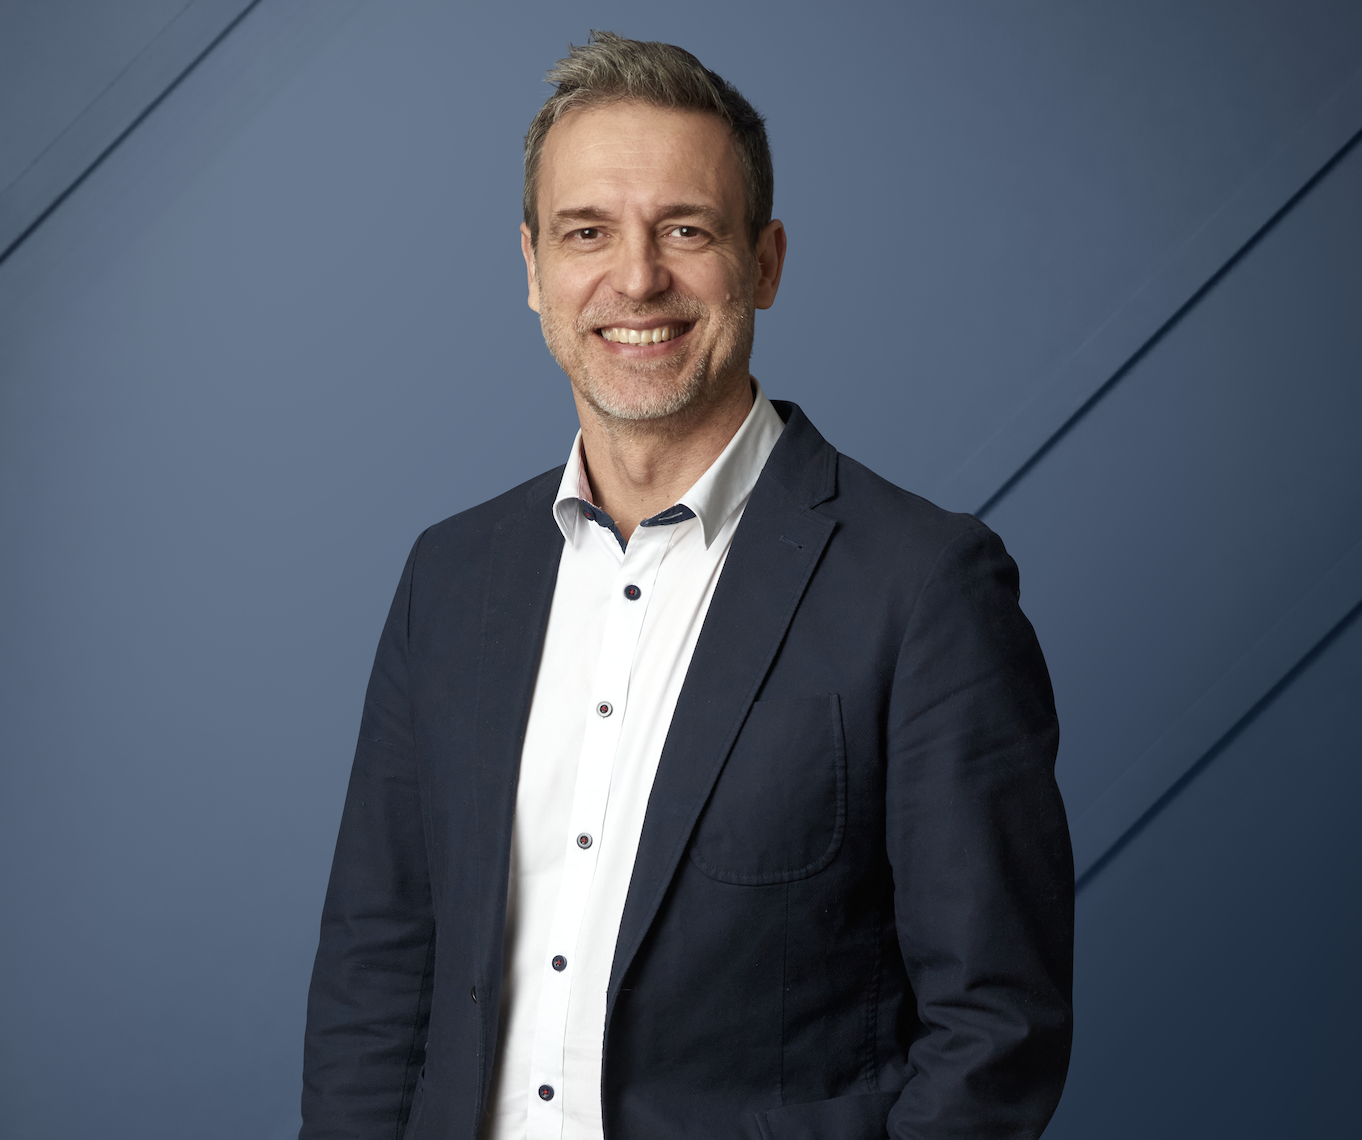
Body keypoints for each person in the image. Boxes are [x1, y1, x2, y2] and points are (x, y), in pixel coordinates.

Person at [300, 31, 1073, 1140]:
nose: (636, 278)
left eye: (686, 230)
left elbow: (995, 1031)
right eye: (587, 232)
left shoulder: (925, 589)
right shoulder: (450, 577)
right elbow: (375, 978)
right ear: (533, 268)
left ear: (764, 262)